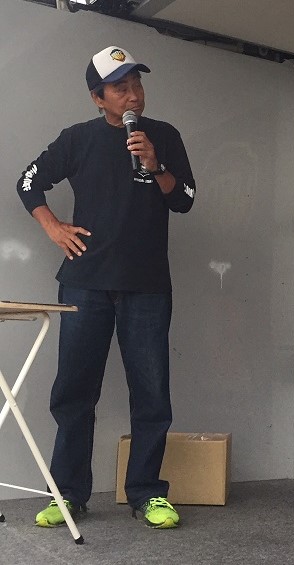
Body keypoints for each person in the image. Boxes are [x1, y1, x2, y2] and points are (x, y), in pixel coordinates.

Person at [16, 46, 195, 529]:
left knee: (152, 394)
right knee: (73, 393)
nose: (133, 94)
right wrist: (53, 226)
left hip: (147, 286)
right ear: (99, 98)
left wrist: (156, 165)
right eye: (120, 87)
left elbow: (184, 200)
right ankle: (68, 494)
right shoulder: (77, 139)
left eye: (137, 83)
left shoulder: (163, 136)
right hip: (85, 285)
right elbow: (28, 182)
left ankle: (147, 494)